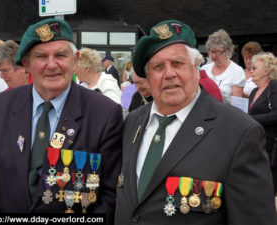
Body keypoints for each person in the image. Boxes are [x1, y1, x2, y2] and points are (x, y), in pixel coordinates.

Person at [115, 19, 277, 225]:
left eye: (178, 63)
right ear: (147, 77)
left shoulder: (239, 132)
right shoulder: (133, 122)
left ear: (196, 68)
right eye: (158, 67)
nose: (169, 74)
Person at [0, 18, 123, 224]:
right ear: (26, 64)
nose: (52, 64)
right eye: (41, 56)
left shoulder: (105, 113)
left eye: (61, 55)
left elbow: (110, 195)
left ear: (76, 60)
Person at [248, 52, 277, 194]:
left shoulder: (274, 87)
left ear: (266, 71)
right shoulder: (254, 92)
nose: (251, 71)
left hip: (271, 144)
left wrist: (251, 120)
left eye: (255, 68)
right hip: (257, 143)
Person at [202, 29, 245, 104]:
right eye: (211, 51)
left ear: (228, 50)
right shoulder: (205, 69)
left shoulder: (237, 71)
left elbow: (237, 105)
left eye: (218, 52)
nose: (213, 56)